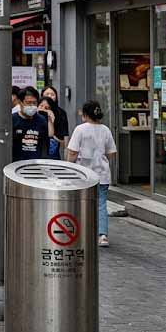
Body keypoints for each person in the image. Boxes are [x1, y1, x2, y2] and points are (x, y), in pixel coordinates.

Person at [67, 101, 117, 247]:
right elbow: (112, 152)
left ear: (85, 114)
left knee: (81, 203)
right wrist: (100, 158)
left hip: (82, 175)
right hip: (102, 174)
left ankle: (82, 232)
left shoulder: (80, 129)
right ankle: (103, 236)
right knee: (101, 204)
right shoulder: (105, 130)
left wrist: (69, 166)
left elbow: (72, 151)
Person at [13, 87, 51, 161]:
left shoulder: (41, 120)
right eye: (28, 103)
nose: (31, 106)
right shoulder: (13, 120)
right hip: (16, 165)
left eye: (34, 103)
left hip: (36, 164)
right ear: (20, 103)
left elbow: (45, 145)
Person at [42, 86, 71, 156]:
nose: (50, 96)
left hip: (54, 152)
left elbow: (65, 137)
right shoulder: (37, 110)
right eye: (47, 94)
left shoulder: (61, 113)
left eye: (52, 94)